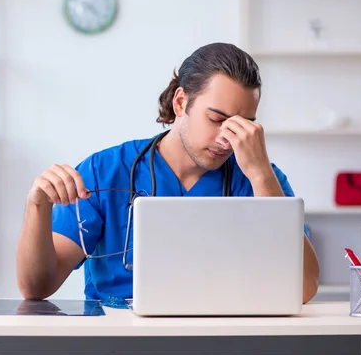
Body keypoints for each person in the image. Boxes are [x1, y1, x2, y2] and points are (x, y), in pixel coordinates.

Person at [16, 42, 320, 304]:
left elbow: (303, 289)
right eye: (217, 119)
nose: (226, 139)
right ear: (180, 102)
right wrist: (37, 207)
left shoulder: (261, 179)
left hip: (221, 339)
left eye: (243, 126)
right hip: (117, 338)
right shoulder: (105, 172)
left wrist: (261, 176)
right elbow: (36, 288)